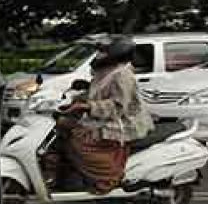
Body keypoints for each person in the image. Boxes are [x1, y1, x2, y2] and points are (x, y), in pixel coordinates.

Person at [47, 37, 152, 194]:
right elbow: (94, 94)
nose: (98, 55)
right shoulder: (105, 71)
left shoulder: (122, 75)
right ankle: (66, 173)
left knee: (78, 142)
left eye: (103, 51)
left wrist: (88, 106)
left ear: (116, 54)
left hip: (123, 122)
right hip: (103, 118)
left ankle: (109, 178)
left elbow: (118, 105)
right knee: (61, 128)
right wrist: (72, 100)